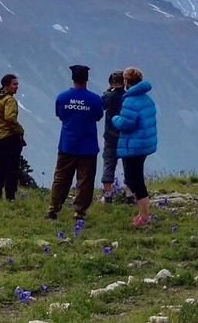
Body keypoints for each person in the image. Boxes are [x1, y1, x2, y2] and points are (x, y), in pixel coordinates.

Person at [46, 64, 104, 222]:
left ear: (73, 78)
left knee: (61, 177)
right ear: (87, 79)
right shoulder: (95, 99)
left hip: (67, 144)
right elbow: (99, 116)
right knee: (85, 180)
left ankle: (53, 209)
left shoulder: (62, 98)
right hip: (88, 146)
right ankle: (79, 212)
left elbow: (60, 115)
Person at [111, 66, 158, 227]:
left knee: (134, 180)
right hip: (144, 144)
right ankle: (142, 214)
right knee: (136, 178)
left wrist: (115, 119)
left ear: (126, 81)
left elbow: (127, 124)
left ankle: (144, 217)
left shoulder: (130, 101)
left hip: (133, 146)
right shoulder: (146, 98)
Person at [0, 73, 24, 201]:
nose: (16, 87)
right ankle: (10, 197)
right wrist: (19, 130)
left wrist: (0, 127)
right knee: (12, 168)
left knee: (1, 167)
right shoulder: (9, 100)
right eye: (14, 84)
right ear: (6, 86)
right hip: (10, 138)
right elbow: (10, 118)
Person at [100, 70, 126, 200]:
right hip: (126, 135)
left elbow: (101, 105)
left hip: (110, 136)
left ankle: (108, 194)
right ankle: (130, 194)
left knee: (109, 163)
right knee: (128, 164)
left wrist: (107, 91)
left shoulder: (108, 96)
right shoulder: (127, 96)